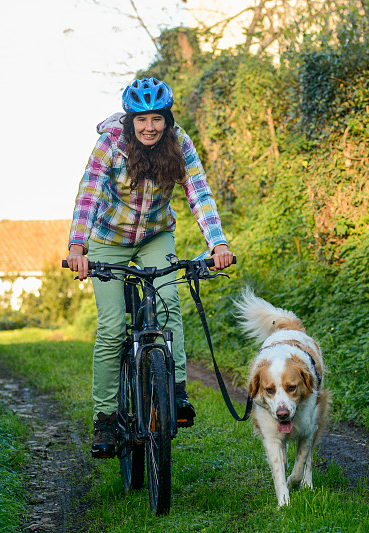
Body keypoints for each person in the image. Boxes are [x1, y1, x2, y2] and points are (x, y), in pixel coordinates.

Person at [66, 77, 234, 458]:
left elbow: (199, 192)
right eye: (141, 119)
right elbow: (89, 194)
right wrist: (78, 246)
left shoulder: (180, 143)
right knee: (111, 327)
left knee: (170, 303)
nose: (149, 127)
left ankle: (175, 392)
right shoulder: (110, 143)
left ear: (167, 119)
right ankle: (106, 418)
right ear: (130, 120)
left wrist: (217, 242)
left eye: (157, 118)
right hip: (107, 241)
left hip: (156, 236)